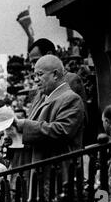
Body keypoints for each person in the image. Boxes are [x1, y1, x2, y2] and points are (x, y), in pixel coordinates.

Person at [14, 55, 85, 190]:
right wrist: (14, 136)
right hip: (43, 170)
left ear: (55, 75)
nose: (35, 80)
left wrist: (25, 125)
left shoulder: (71, 98)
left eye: (39, 75)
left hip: (58, 173)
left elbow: (62, 130)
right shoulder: (45, 98)